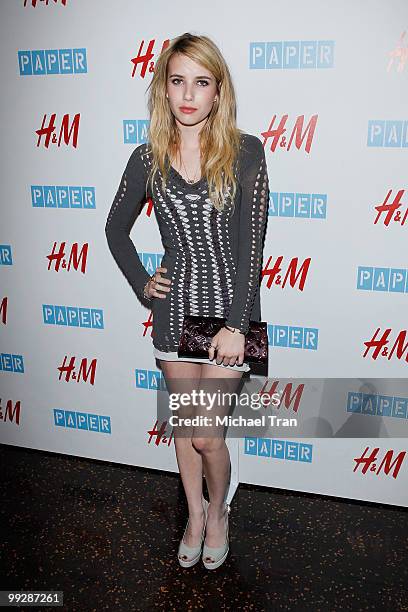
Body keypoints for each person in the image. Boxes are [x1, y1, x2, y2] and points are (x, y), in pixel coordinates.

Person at [105, 32, 269, 570]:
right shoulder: (147, 158)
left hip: (228, 320)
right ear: (164, 89)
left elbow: (251, 248)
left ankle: (218, 510)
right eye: (178, 81)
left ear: (217, 92)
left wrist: (239, 326)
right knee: (184, 430)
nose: (189, 94)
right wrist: (140, 282)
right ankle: (194, 517)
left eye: (201, 82)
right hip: (173, 319)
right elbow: (115, 230)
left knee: (206, 436)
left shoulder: (246, 152)